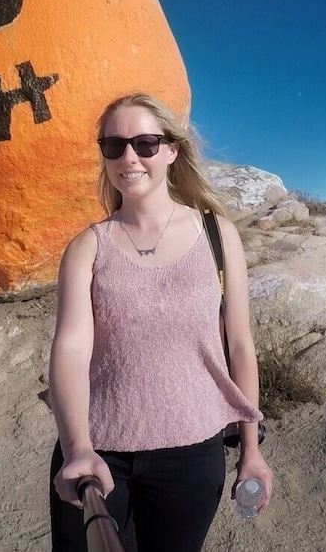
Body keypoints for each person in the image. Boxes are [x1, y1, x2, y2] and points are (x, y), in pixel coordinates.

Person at [48, 92, 273, 551]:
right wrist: (76, 448)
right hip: (97, 448)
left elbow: (240, 346)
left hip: (191, 455)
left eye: (145, 143)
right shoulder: (87, 248)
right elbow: (70, 349)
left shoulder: (217, 235)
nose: (128, 157)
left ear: (171, 150)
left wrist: (251, 450)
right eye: (114, 146)